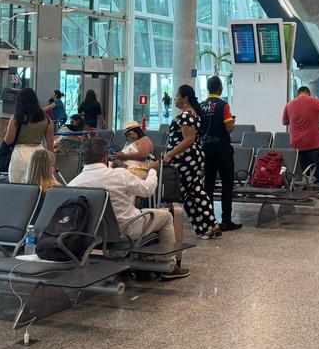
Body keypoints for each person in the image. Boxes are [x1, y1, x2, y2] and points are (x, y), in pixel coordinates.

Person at [71, 137, 190, 280]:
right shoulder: (119, 175)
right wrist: (152, 170)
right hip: (126, 229)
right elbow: (148, 190)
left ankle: (130, 260)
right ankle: (169, 266)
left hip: (93, 234)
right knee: (166, 217)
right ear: (104, 157)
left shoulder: (73, 183)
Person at [164, 84, 221, 239]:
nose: (174, 99)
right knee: (190, 193)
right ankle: (206, 226)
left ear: (185, 99)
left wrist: (169, 154)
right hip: (190, 157)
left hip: (185, 158)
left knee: (189, 192)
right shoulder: (192, 115)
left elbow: (188, 139)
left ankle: (210, 224)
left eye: (177, 96)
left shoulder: (186, 116)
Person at [199, 75, 242, 231]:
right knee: (227, 184)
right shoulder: (223, 105)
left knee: (208, 184)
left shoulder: (201, 106)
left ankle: (209, 220)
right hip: (221, 147)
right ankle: (226, 220)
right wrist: (233, 122)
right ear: (220, 88)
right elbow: (229, 128)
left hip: (206, 147)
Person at [5, 87, 54, 184]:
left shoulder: (16, 118)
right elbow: (50, 141)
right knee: (39, 185)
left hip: (20, 154)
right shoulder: (46, 118)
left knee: (18, 186)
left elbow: (8, 140)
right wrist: (51, 161)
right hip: (39, 155)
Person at [282, 86, 319, 183]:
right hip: (313, 142)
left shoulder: (289, 104)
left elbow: (284, 122)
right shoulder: (316, 101)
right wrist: (313, 118)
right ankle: (318, 189)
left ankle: (303, 189)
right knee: (316, 168)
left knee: (300, 170)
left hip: (296, 144)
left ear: (297, 94)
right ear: (309, 93)